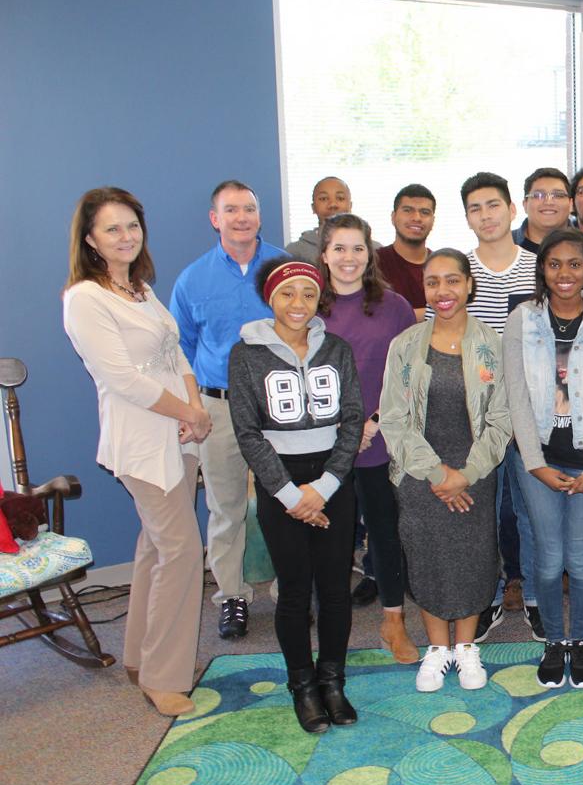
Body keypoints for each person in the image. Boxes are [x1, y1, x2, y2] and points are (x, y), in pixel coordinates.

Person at [63, 187, 210, 717]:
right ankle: (163, 677)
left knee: (154, 547)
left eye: (132, 225)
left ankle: (139, 658)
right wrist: (187, 413)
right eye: (112, 229)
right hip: (143, 442)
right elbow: (121, 379)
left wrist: (195, 406)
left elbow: (177, 353)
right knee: (181, 552)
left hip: (179, 434)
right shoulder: (85, 298)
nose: (125, 236)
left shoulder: (140, 289)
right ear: (90, 240)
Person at [228, 259, 363, 734]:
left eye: (307, 294)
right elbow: (247, 432)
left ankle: (333, 681)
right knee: (294, 592)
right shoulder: (245, 355)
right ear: (271, 298)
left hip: (331, 482)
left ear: (319, 298)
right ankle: (302, 686)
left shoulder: (338, 350)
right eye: (287, 294)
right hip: (280, 485)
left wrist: (323, 488)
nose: (297, 304)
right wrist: (290, 494)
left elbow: (352, 421)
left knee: (334, 591)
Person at [380, 248, 511, 693]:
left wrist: (466, 473)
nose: (443, 291)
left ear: (469, 285)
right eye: (433, 282)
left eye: (452, 281)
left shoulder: (492, 346)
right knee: (429, 556)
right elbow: (394, 419)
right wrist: (438, 474)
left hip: (475, 472)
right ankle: (437, 650)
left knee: (473, 557)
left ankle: (466, 647)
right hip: (420, 473)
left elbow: (502, 418)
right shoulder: (405, 346)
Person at [505, 230, 583, 688]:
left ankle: (579, 641)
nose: (564, 273)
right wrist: (534, 462)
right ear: (542, 269)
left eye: (574, 264)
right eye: (554, 264)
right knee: (546, 554)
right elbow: (515, 393)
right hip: (536, 458)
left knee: (579, 557)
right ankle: (553, 642)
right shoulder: (522, 319)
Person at [169, 180, 287, 640]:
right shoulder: (192, 279)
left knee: (285, 500)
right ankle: (232, 597)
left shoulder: (283, 267)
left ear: (259, 216)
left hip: (278, 405)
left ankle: (288, 591)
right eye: (231, 209)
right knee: (225, 507)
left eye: (250, 209)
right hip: (218, 407)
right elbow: (180, 350)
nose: (242, 217)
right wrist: (191, 405)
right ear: (215, 218)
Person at [317, 213, 418, 663]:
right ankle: (331, 632)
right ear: (324, 254)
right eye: (339, 248)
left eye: (357, 248)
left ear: (369, 253)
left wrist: (371, 421)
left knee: (384, 534)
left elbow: (406, 373)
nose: (349, 257)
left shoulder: (393, 305)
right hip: (324, 443)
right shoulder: (308, 305)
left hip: (379, 438)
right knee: (331, 539)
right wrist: (343, 429)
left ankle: (393, 623)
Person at [461, 172, 541, 640]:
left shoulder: (537, 268)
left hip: (531, 415)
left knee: (531, 511)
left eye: (494, 205)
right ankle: (487, 597)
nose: (486, 215)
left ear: (513, 210)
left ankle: (532, 597)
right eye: (476, 208)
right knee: (482, 514)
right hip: (474, 420)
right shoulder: (458, 270)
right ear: (467, 217)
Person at [515, 168, 583, 262]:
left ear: (570, 204)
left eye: (558, 195)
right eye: (538, 195)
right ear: (525, 204)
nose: (548, 202)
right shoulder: (505, 244)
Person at [377, 184, 436, 320]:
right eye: (408, 210)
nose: (416, 217)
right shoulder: (374, 263)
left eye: (425, 212)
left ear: (433, 221)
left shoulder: (442, 265)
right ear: (393, 217)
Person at [288, 177, 378, 264]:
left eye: (340, 198)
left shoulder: (375, 250)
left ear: (350, 206)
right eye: (323, 199)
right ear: (313, 207)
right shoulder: (294, 252)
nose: (333, 204)